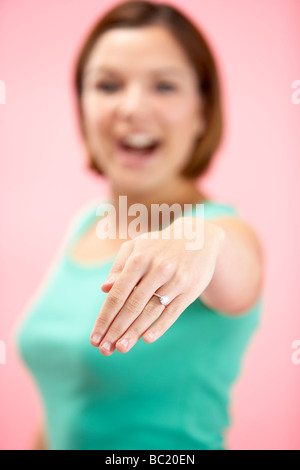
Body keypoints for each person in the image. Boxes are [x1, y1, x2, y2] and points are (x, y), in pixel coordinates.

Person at [16, 0, 264, 450]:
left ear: (202, 111)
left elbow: (237, 267)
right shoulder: (86, 224)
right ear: (83, 105)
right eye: (108, 85)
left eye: (164, 86)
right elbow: (61, 409)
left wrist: (203, 241)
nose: (131, 107)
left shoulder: (224, 231)